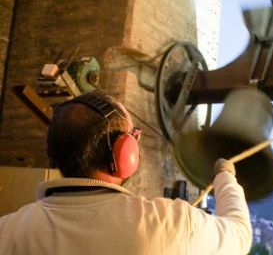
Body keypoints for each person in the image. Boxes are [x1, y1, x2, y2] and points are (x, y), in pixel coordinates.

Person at [0, 90, 252, 255]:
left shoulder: (7, 231)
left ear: (52, 153)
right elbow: (240, 235)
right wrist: (225, 178)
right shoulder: (170, 223)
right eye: (134, 137)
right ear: (125, 153)